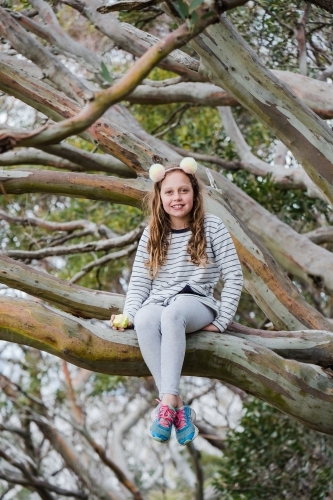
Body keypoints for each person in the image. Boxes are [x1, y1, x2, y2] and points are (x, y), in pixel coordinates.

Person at [110, 157, 243, 446]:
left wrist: (221, 322)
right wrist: (129, 314)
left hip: (197, 303)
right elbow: (140, 283)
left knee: (172, 316)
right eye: (169, 192)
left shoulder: (212, 226)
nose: (177, 197)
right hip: (159, 301)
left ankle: (166, 405)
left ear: (195, 193)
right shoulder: (153, 233)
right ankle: (177, 408)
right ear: (159, 197)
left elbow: (234, 276)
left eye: (183, 190)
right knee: (146, 319)